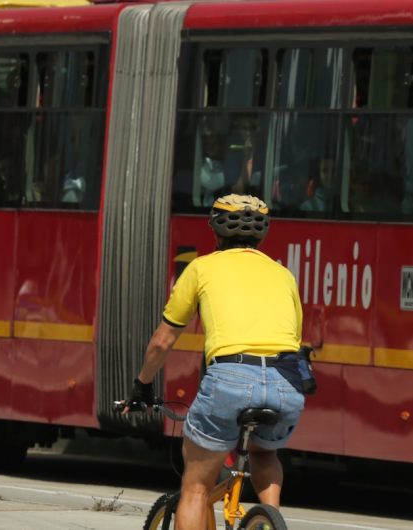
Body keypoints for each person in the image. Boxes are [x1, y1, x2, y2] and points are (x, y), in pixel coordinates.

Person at [125, 194, 306, 530]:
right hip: (286, 383)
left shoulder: (201, 267)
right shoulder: (283, 274)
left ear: (216, 231)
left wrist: (142, 385)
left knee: (195, 485)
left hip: (230, 380)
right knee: (265, 452)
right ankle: (268, 521)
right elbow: (294, 338)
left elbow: (162, 341)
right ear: (262, 233)